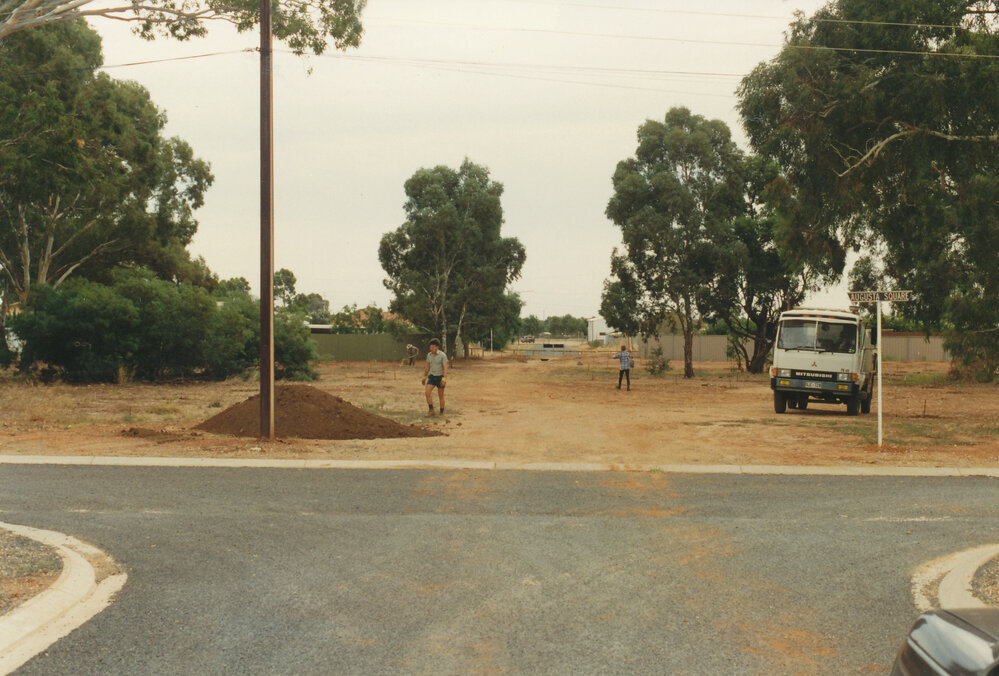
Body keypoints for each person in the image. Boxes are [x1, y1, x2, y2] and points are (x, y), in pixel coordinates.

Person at [422, 338, 449, 416]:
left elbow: (445, 367)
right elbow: (427, 367)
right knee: (427, 393)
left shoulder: (442, 355)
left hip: (440, 377)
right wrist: (424, 377)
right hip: (432, 377)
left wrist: (444, 378)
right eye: (430, 347)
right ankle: (431, 410)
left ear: (437, 347)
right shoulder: (429, 355)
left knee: (440, 395)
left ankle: (441, 412)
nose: (431, 349)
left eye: (433, 347)